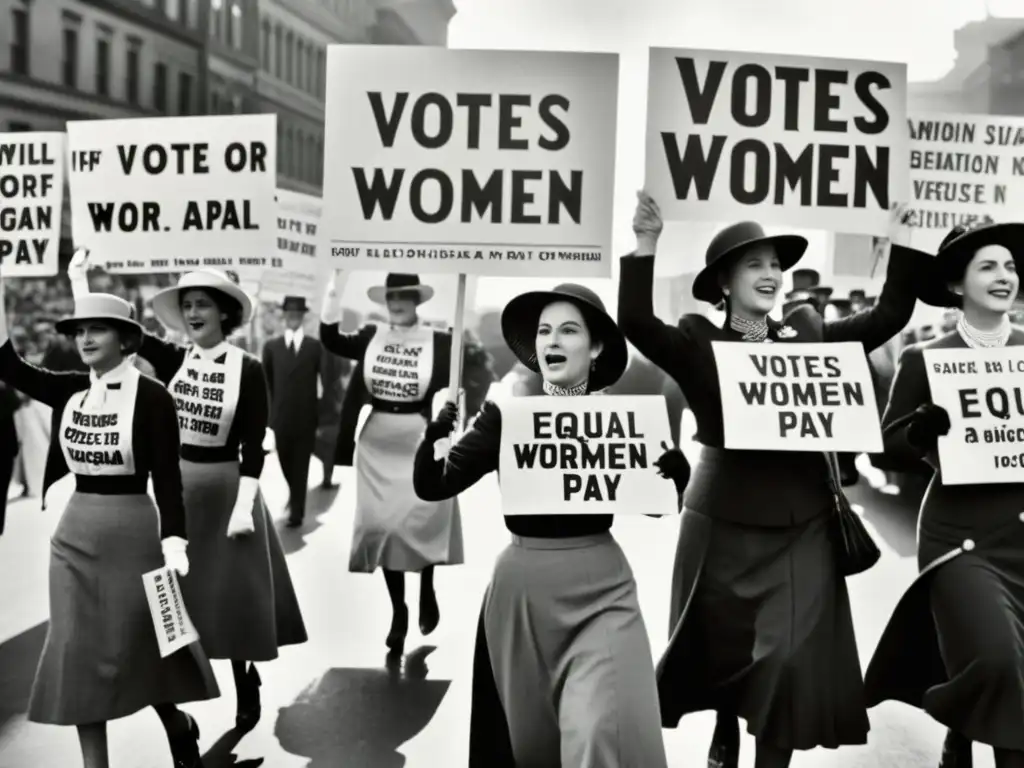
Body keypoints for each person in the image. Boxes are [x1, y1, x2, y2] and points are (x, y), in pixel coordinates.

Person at [620, 191, 920, 768]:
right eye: (755, 264)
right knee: (725, 650)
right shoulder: (696, 340)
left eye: (776, 265)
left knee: (786, 660)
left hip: (801, 523)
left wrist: (901, 240)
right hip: (723, 520)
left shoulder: (810, 332)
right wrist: (645, 243)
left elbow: (889, 317)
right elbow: (634, 320)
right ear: (725, 283)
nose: (772, 274)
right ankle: (728, 722)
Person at [412, 282, 690, 767]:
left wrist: (675, 475)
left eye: (568, 330)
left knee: (600, 728)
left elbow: (659, 503)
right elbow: (434, 484)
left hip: (603, 591)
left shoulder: (620, 419)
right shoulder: (505, 415)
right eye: (544, 331)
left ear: (596, 346)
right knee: (532, 744)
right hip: (522, 597)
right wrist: (434, 433)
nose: (552, 342)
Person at [67, 255, 307, 735]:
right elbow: (111, 329)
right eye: (188, 305)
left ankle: (245, 681)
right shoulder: (174, 358)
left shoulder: (249, 368)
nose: (194, 312)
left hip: (228, 495)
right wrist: (80, 282)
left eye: (203, 304)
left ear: (224, 313)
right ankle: (176, 706)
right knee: (170, 604)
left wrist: (243, 507)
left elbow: (254, 447)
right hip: (177, 494)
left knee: (231, 599)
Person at [0, 283, 219, 768]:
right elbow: (8, 365)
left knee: (139, 646)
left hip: (133, 534)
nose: (85, 337)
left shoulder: (155, 398)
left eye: (97, 328)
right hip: (74, 537)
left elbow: (167, 479)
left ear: (126, 339)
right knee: (77, 651)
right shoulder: (70, 388)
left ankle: (177, 723)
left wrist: (175, 540)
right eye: (80, 330)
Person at [865, 222, 1024, 768]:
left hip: (1020, 531)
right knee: (1000, 658)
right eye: (988, 266)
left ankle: (965, 725)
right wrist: (920, 431)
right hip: (960, 538)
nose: (1004, 276)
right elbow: (885, 447)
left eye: (1009, 266)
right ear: (956, 286)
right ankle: (965, 718)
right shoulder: (925, 359)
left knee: (1019, 668)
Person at [319, 272, 487, 655]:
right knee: (383, 527)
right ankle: (399, 611)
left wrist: (458, 414)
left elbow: (474, 370)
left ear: (417, 301)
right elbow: (330, 339)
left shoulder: (439, 341)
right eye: (391, 296)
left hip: (418, 436)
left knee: (421, 516)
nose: (397, 302)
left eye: (404, 296)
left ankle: (426, 583)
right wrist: (335, 290)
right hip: (377, 440)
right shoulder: (369, 337)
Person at [262, 295, 326, 527]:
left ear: (302, 317)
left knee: (301, 465)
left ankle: (297, 511)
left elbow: (324, 382)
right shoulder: (272, 347)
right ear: (284, 317)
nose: (293, 318)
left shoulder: (314, 347)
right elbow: (267, 385)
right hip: (281, 418)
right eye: (290, 314)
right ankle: (295, 493)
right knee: (286, 463)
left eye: (297, 314)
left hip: (307, 418)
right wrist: (268, 418)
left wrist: (322, 415)